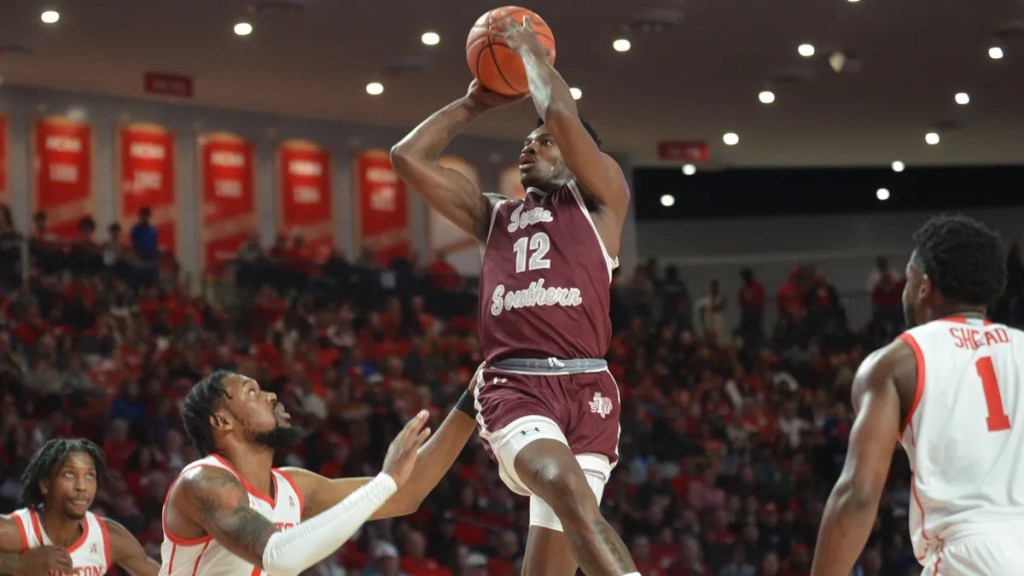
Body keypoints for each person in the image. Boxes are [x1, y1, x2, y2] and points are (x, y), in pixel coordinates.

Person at [390, 15, 638, 576]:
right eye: (526, 140)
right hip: (517, 384)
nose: (529, 145)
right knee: (566, 489)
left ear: (577, 158)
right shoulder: (494, 214)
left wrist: (532, 55)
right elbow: (407, 157)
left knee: (555, 552)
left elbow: (559, 114)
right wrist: (472, 104)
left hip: (590, 386)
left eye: (544, 141)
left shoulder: (601, 201)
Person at [812, 214, 1024, 575]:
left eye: (907, 279)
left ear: (924, 286)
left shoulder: (897, 363)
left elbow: (858, 495)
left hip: (967, 556)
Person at [160, 368, 478, 576]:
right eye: (252, 393)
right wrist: (386, 480)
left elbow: (406, 493)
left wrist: (474, 398)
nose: (271, 395)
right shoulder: (202, 482)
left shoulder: (295, 487)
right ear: (221, 421)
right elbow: (279, 557)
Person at [0, 438, 159, 575]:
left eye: (90, 475)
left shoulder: (108, 537)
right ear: (45, 484)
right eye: (69, 474)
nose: (82, 486)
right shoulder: (13, 530)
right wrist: (20, 563)